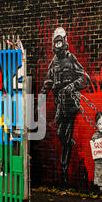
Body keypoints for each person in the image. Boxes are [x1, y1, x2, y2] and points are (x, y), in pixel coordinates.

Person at [40, 27, 91, 184]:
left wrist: (72, 86)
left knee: (65, 133)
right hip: (60, 104)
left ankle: (64, 168)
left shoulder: (71, 58)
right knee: (61, 134)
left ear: (65, 41)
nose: (58, 44)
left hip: (70, 104)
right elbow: (49, 80)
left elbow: (85, 78)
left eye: (60, 41)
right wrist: (43, 92)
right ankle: (68, 145)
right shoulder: (53, 63)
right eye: (56, 42)